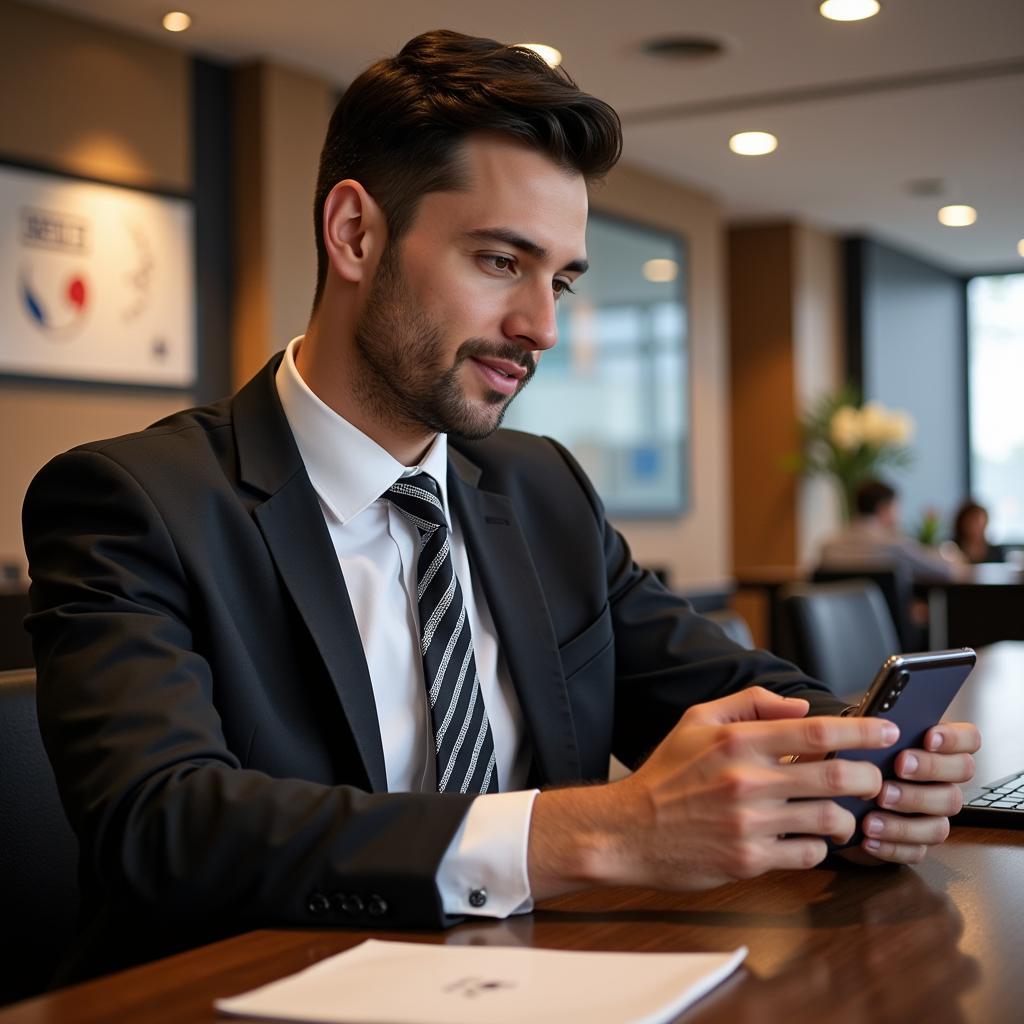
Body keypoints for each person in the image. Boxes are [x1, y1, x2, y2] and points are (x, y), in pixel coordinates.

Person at [23, 31, 979, 985]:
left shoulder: (540, 488)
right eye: (499, 262)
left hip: (550, 981)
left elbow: (716, 683)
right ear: (355, 233)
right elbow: (162, 826)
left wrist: (861, 762)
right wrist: (605, 831)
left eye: (558, 279)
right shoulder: (132, 501)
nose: (542, 327)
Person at [820, 479, 964, 582]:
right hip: (887, 624)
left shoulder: (828, 546)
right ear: (883, 509)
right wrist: (954, 556)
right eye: (896, 507)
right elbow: (945, 571)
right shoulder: (894, 545)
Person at [952, 500, 1001, 564]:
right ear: (962, 522)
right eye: (973, 522)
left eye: (980, 522)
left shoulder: (996, 552)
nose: (977, 526)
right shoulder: (951, 549)